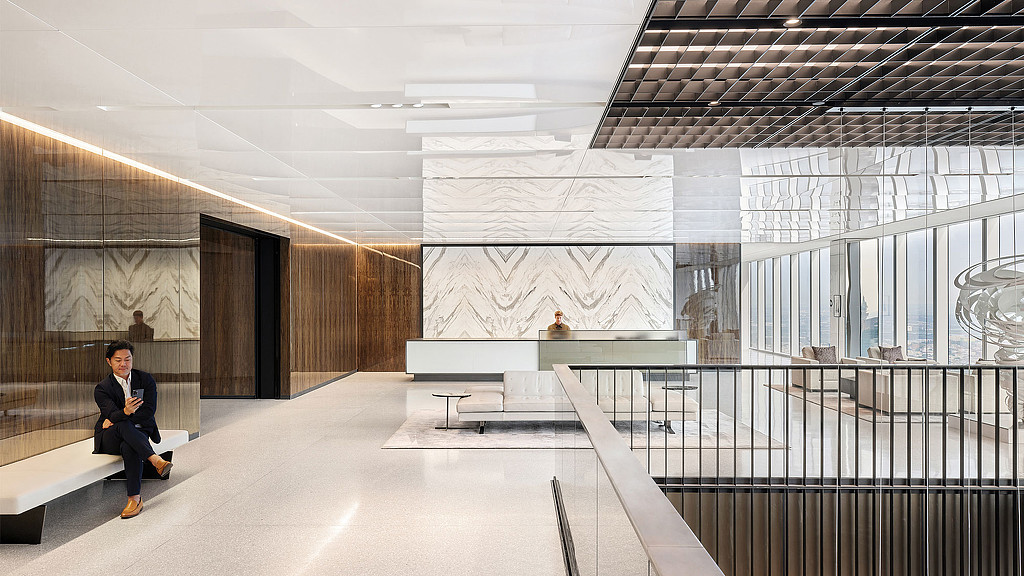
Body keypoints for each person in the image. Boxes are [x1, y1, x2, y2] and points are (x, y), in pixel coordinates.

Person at [93, 340, 172, 519]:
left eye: (127, 359)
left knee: (129, 443)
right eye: (118, 360)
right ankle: (155, 460)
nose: (123, 364)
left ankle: (134, 499)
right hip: (108, 437)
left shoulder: (145, 379)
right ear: (109, 361)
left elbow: (149, 411)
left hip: (137, 432)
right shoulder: (102, 388)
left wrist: (121, 416)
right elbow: (111, 414)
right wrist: (124, 413)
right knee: (122, 425)